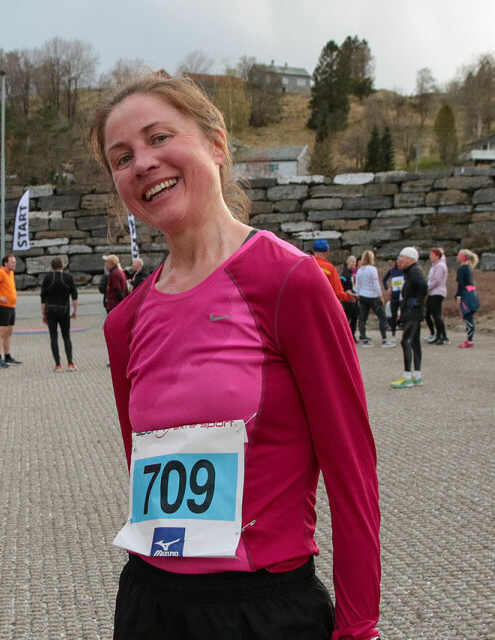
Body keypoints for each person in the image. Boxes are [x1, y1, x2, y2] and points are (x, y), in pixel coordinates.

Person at [90, 72, 380, 640]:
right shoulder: (124, 322)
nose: (142, 163)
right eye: (122, 158)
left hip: (263, 609)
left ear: (217, 144)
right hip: (150, 604)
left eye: (159, 138)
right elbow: (144, 465)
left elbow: (353, 475)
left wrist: (358, 626)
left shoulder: (289, 281)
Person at [390, 247, 428, 389]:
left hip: (413, 311)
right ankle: (417, 375)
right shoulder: (410, 271)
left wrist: (417, 300)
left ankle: (407, 377)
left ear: (411, 259)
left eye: (402, 257)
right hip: (411, 310)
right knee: (415, 342)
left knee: (405, 341)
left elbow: (423, 285)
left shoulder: (414, 271)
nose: (399, 260)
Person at [40, 257, 79, 372]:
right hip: (64, 310)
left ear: (52, 267)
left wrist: (43, 313)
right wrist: (75, 311)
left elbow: (43, 297)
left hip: (50, 310)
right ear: (62, 266)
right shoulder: (68, 277)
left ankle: (58, 364)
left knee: (53, 337)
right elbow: (74, 296)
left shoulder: (47, 278)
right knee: (66, 336)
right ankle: (70, 363)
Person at [0, 254, 21, 367]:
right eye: (12, 262)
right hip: (3, 306)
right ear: (5, 263)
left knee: (9, 331)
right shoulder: (1, 273)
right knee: (1, 332)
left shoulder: (11, 273)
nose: (14, 264)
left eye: (15, 262)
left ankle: (7, 355)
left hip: (11, 306)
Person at [355, 250, 394, 348]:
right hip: (372, 296)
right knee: (381, 316)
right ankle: (384, 339)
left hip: (363, 295)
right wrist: (381, 297)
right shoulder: (372, 269)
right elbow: (376, 285)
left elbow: (357, 285)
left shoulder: (359, 270)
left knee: (363, 318)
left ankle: (364, 338)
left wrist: (358, 297)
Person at [311, 239, 356, 306]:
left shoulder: (306, 265)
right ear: (328, 252)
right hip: (324, 305)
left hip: (306, 305)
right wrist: (348, 296)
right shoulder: (330, 268)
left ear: (313, 251)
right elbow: (338, 292)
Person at [455, 249, 480, 348]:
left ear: (462, 258)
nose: (457, 257)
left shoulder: (461, 269)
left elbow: (461, 284)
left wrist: (458, 295)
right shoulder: (469, 268)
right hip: (472, 292)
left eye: (459, 256)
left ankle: (469, 340)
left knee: (467, 316)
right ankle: (469, 339)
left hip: (466, 294)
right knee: (470, 316)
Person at [425, 248, 449, 345]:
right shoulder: (434, 266)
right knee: (428, 314)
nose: (430, 256)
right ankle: (437, 335)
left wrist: (427, 288)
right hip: (432, 293)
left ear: (437, 256)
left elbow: (437, 281)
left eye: (432, 255)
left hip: (437, 292)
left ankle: (444, 336)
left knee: (436, 315)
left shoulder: (440, 266)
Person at [382, 258, 405, 337]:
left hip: (403, 296)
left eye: (401, 262)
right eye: (398, 262)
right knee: (394, 314)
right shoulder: (392, 270)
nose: (399, 264)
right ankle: (393, 332)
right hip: (394, 296)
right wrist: (387, 289)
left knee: (404, 314)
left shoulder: (405, 270)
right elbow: (384, 280)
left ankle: (405, 331)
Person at [340, 255, 360, 341]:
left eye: (355, 262)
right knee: (347, 317)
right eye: (353, 262)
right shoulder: (345, 273)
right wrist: (346, 292)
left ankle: (352, 335)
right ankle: (345, 335)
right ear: (349, 262)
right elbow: (341, 284)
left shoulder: (354, 273)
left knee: (355, 316)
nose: (355, 264)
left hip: (354, 296)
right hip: (347, 297)